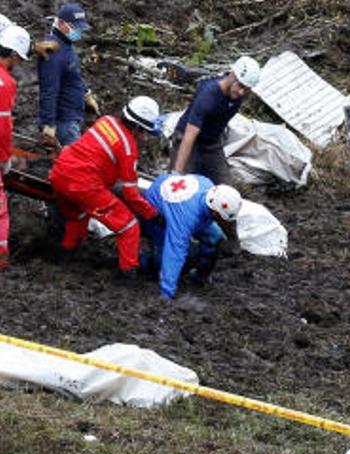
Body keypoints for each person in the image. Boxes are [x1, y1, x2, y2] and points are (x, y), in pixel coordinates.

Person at [48, 96, 161, 277]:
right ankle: (128, 274)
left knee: (78, 215)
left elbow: (97, 156)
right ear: (137, 128)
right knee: (129, 226)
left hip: (60, 173)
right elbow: (131, 195)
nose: (146, 138)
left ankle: (64, 257)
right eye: (145, 132)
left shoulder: (105, 121)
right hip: (83, 185)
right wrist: (153, 214)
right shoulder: (128, 147)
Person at [141, 173, 241, 299]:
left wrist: (233, 240)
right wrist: (167, 293)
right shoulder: (185, 218)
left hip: (190, 211)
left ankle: (201, 277)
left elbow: (228, 223)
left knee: (214, 238)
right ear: (215, 213)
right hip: (156, 216)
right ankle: (144, 263)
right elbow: (174, 253)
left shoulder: (208, 186)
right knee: (182, 258)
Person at [170, 56, 260, 185]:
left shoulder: (239, 94)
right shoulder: (208, 95)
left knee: (226, 189)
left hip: (211, 143)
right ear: (232, 75)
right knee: (184, 186)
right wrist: (177, 172)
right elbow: (189, 135)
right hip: (188, 139)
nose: (241, 92)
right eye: (240, 86)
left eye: (246, 89)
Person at [37, 3, 99, 151]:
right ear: (62, 24)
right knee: (74, 167)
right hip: (64, 121)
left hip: (74, 115)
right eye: (75, 27)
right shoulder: (52, 52)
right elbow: (49, 90)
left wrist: (86, 94)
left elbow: (73, 75)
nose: (78, 32)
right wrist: (48, 124)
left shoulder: (66, 44)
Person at [0, 25, 30, 270]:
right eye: (19, 59)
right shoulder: (6, 83)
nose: (19, 64)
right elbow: (3, 128)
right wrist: (5, 158)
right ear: (12, 54)